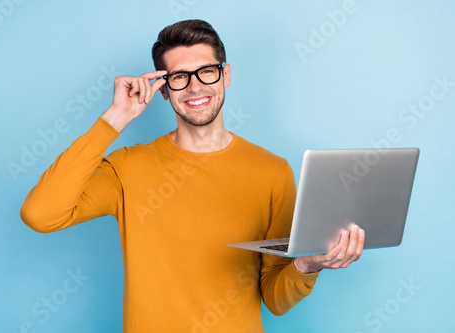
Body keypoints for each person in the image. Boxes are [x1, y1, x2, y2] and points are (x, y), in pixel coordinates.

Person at [21, 19, 365, 332]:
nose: (195, 87)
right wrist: (114, 119)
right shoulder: (128, 167)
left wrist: (307, 264)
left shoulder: (272, 171)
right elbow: (40, 214)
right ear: (164, 88)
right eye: (180, 77)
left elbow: (275, 300)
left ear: (225, 75)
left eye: (207, 72)